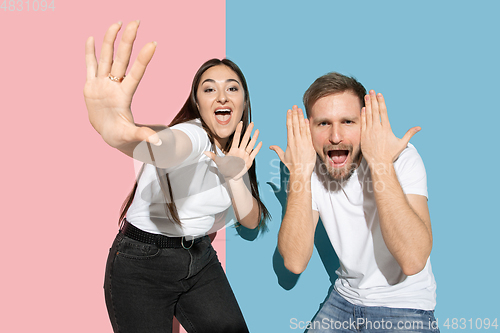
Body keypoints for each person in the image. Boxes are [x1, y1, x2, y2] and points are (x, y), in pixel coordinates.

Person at [84, 21, 269, 333]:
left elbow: (251, 221)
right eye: (209, 89)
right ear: (197, 103)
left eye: (232, 88)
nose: (221, 96)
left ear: (244, 103)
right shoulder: (193, 133)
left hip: (199, 259)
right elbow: (168, 146)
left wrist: (236, 177)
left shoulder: (240, 150)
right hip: (141, 264)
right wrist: (123, 137)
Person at [270, 72, 438, 332]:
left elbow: (413, 260)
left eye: (348, 121)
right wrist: (299, 174)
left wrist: (381, 164)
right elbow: (294, 261)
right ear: (308, 128)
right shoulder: (309, 166)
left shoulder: (401, 159)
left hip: (405, 305)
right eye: (323, 124)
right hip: (345, 299)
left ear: (366, 123)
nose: (335, 136)